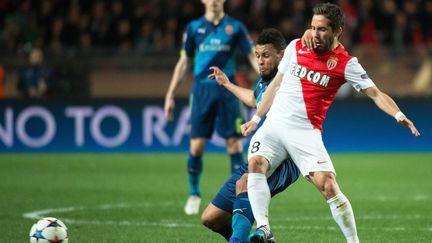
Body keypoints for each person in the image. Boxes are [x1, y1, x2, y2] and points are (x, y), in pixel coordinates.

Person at [241, 3, 421, 243]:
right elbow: (275, 85)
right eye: (313, 28)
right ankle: (264, 229)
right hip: (274, 125)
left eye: (323, 29)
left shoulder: (347, 63)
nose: (315, 34)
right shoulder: (296, 47)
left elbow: (376, 93)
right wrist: (255, 119)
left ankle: (353, 241)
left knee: (328, 186)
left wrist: (398, 115)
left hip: (305, 131)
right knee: (255, 164)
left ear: (338, 31)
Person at [201, 28, 304, 243]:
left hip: (286, 156)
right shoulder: (263, 82)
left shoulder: (290, 80)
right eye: (257, 56)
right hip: (260, 154)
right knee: (211, 218)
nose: (260, 61)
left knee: (245, 183)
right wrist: (227, 84)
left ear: (282, 55)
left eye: (266, 55)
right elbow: (254, 98)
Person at [164, 0, 259, 216]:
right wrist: (170, 94)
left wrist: (267, 77)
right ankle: (194, 194)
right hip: (201, 92)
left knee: (234, 145)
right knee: (197, 146)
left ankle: (238, 196)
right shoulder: (193, 28)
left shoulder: (235, 27)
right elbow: (184, 61)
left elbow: (252, 54)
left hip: (228, 90)